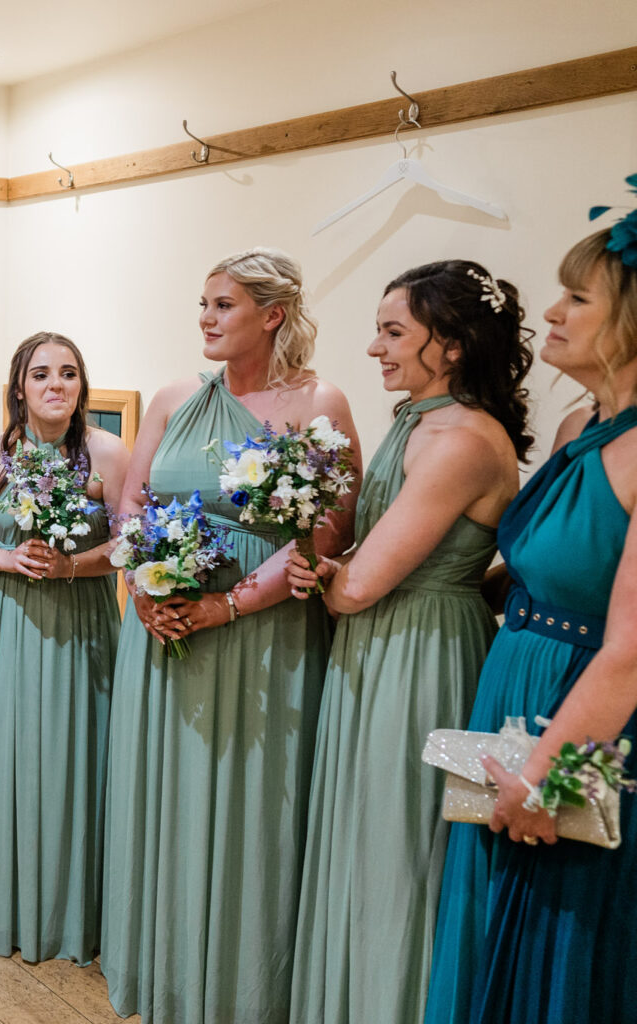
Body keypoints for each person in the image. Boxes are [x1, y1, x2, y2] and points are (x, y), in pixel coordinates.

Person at [98, 248, 361, 1024]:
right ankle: (166, 972)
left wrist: (227, 607)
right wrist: (147, 589)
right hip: (163, 627)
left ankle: (240, 988)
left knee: (251, 806)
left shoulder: (321, 403)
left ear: (272, 314)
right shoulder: (179, 397)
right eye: (204, 305)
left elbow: (330, 529)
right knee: (164, 797)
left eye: (223, 306)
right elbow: (133, 506)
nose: (206, 320)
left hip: (263, 635)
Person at [286, 261, 531, 1024]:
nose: (373, 349)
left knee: (399, 847)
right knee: (363, 835)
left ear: (451, 345)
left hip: (420, 650)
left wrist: (311, 570)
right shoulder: (416, 420)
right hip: (380, 645)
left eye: (394, 332)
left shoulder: (462, 439)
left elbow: (359, 584)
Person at [424, 225, 637, 1024]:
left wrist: (550, 773)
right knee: (489, 926)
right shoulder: (579, 426)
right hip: (514, 686)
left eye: (579, 297)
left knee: (564, 941)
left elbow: (631, 651)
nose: (551, 311)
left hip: (586, 721)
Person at [0, 331, 127, 963]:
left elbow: (130, 544)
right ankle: (0, 901)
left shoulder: (109, 454)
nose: (56, 385)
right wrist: (5, 558)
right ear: (18, 387)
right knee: (2, 755)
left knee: (73, 755)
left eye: (70, 374)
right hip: (4, 620)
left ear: (82, 386)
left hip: (81, 622)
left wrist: (73, 567)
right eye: (41, 374)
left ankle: (70, 912)